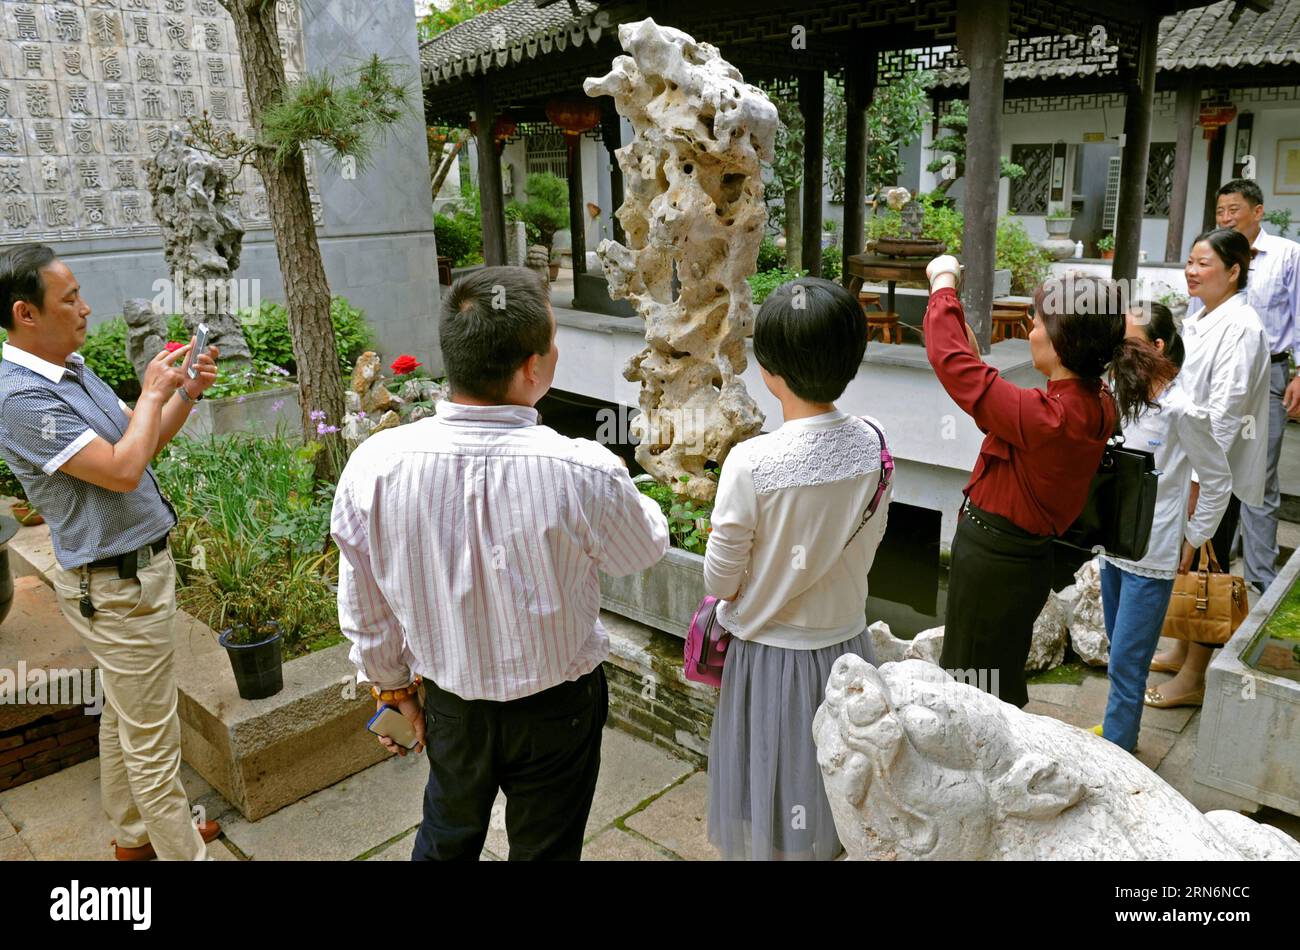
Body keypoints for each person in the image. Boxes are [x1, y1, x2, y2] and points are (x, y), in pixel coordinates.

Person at [331, 266, 668, 861]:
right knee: (546, 848)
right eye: (554, 340)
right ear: (532, 367)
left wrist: (389, 688)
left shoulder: (376, 466)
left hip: (451, 702)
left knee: (448, 834)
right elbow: (641, 550)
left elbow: (365, 599)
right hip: (558, 707)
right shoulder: (581, 469)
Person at [0, 244, 221, 860]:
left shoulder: (66, 366)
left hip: (132, 576)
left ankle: (135, 838)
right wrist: (152, 393)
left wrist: (183, 394)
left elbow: (140, 443)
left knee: (128, 717)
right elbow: (123, 472)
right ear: (26, 313)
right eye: (69, 299)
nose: (85, 308)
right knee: (155, 740)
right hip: (114, 587)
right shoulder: (19, 399)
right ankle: (183, 851)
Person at [924, 258, 1168, 709]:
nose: (1030, 330)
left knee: (970, 684)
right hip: (1025, 561)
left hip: (993, 562)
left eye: (1036, 322)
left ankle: (979, 764)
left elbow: (950, 363)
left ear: (1060, 343)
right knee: (995, 670)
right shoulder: (1096, 403)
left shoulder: (1048, 418)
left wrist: (942, 283)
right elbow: (988, 395)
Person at [704, 276, 890, 861]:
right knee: (834, 787)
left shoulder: (750, 461)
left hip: (769, 655)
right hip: (848, 647)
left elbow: (718, 581)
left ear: (768, 369)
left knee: (773, 783)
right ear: (852, 360)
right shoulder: (875, 445)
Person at [1096, 302, 1232, 751]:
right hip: (1113, 545)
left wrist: (1193, 537)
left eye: (1127, 337)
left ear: (1156, 346)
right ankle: (1117, 731)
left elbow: (1217, 480)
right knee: (1118, 649)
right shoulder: (1120, 393)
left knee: (1128, 663)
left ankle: (1119, 750)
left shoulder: (1182, 410)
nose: (1117, 345)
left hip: (1152, 553)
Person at [1148, 228, 1269, 708]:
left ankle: (1195, 674)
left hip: (1216, 473)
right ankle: (1180, 647)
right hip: (1191, 467)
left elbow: (1225, 410)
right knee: (1190, 564)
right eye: (1190, 262)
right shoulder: (1202, 318)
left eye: (1203, 263)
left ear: (1234, 270)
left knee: (1209, 566)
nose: (1191, 271)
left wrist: (1202, 484)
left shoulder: (1241, 327)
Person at [1184, 180, 1300, 593]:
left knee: (1254, 475)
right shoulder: (1206, 286)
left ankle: (1259, 577)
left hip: (1269, 372)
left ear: (1258, 211)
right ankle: (1217, 571)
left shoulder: (1285, 256)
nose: (1226, 215)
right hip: (1211, 395)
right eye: (1221, 209)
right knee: (1224, 481)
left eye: (1234, 209)